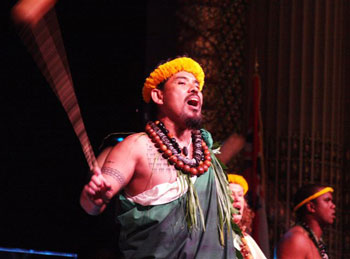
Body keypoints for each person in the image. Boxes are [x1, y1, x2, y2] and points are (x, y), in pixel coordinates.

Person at [80, 57, 239, 258]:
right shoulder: (138, 146)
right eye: (182, 83)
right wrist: (94, 197)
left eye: (197, 85)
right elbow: (93, 202)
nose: (194, 89)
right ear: (158, 95)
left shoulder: (206, 151)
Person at [276, 184, 336, 259]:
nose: (333, 206)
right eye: (327, 200)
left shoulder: (314, 242)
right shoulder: (297, 240)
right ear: (311, 207)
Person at [228, 174, 266, 259]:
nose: (237, 198)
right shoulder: (210, 238)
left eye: (240, 195)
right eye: (231, 194)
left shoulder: (246, 241)